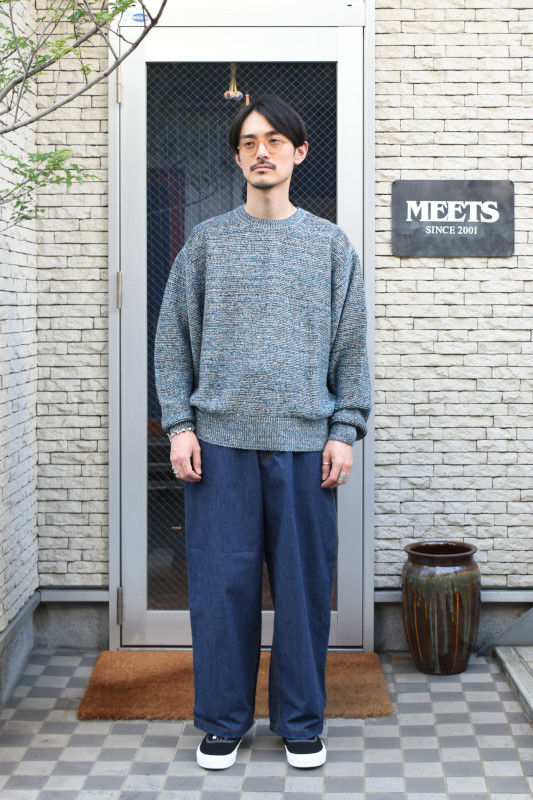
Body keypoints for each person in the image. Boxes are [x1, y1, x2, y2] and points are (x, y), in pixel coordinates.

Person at [154, 95, 370, 770]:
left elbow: (351, 348)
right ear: (237, 157)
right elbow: (172, 341)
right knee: (222, 591)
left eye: (275, 140)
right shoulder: (207, 243)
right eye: (249, 142)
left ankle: (300, 722)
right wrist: (180, 425)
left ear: (299, 153)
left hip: (306, 446)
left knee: (304, 593)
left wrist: (344, 430)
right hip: (219, 446)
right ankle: (223, 721)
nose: (261, 152)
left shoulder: (330, 245)